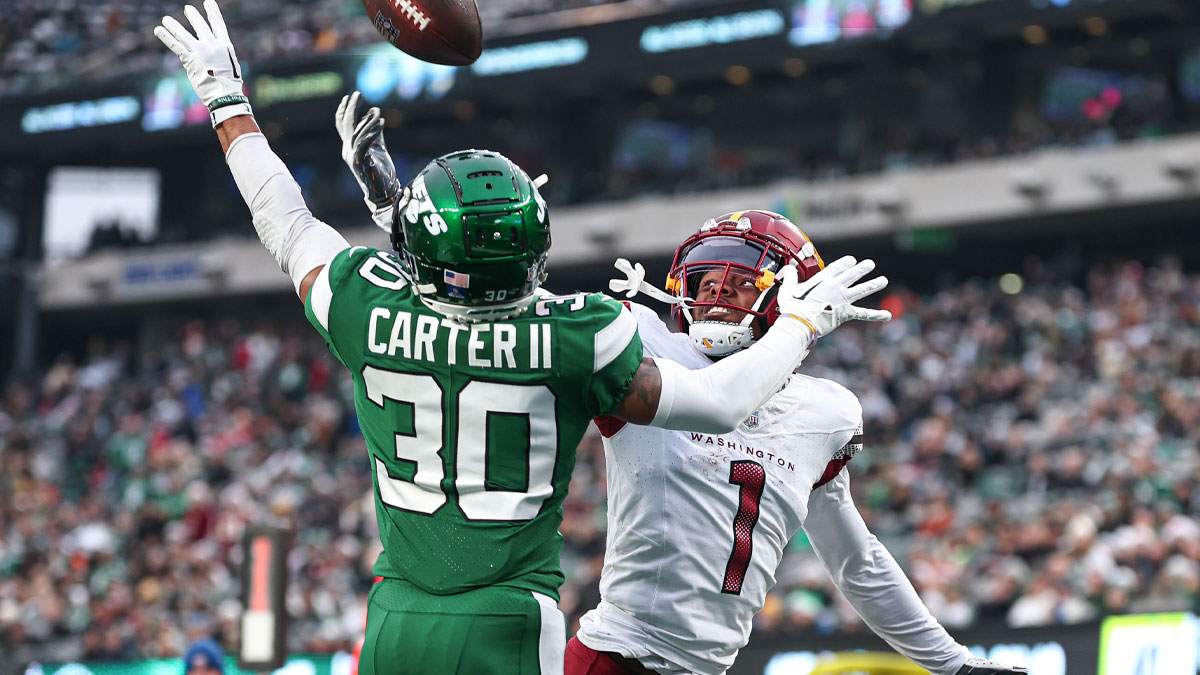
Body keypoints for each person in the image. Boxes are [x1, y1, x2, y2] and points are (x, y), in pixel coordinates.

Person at [154, 6, 891, 674]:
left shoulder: (361, 300)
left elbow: (283, 218)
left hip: (396, 616)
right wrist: (802, 320)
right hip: (508, 619)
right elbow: (721, 400)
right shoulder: (576, 334)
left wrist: (225, 95)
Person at [563, 210, 1028, 675]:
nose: (715, 289)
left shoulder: (824, 412)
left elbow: (856, 562)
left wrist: (953, 665)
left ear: (794, 298)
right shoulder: (647, 347)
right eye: (705, 279)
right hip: (617, 657)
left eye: (743, 279)